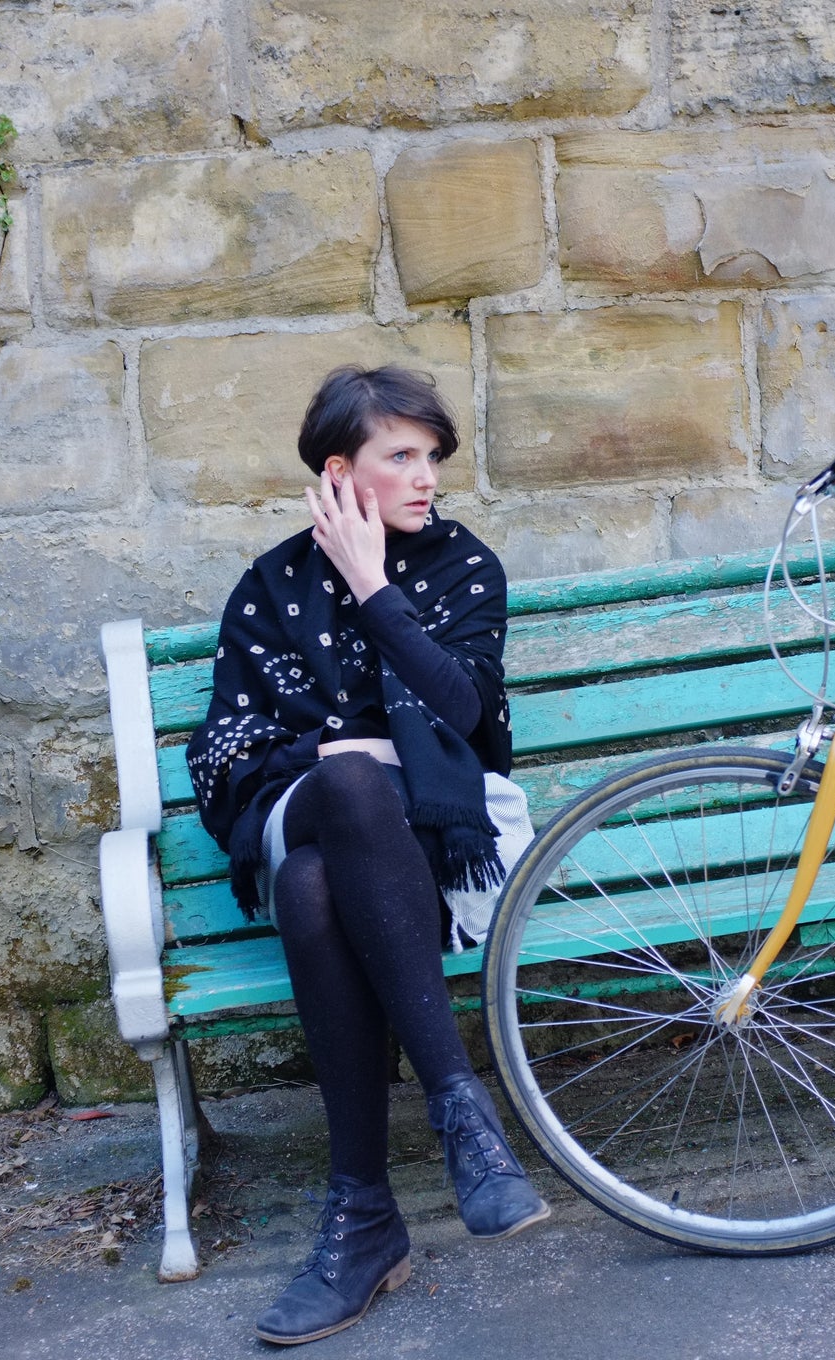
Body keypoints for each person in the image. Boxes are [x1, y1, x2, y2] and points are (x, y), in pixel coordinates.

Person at [186, 366, 548, 1345]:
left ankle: (362, 1218)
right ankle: (460, 1114)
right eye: (402, 455)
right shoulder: (266, 587)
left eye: (432, 456)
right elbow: (224, 758)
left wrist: (371, 585)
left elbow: (463, 716)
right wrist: (339, 754)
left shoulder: (464, 570)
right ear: (341, 470)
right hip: (302, 808)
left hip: (430, 853)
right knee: (340, 791)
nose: (426, 475)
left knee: (313, 880)